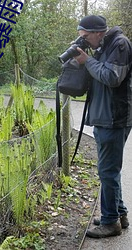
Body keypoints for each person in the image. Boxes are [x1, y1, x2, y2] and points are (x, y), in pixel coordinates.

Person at [74, 15, 132, 238]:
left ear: (98, 32)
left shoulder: (120, 44)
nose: (85, 41)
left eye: (86, 37)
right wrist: (84, 60)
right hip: (104, 117)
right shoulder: (103, 46)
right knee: (109, 171)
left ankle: (110, 223)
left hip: (114, 118)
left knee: (107, 171)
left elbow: (111, 77)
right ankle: (119, 214)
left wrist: (87, 61)